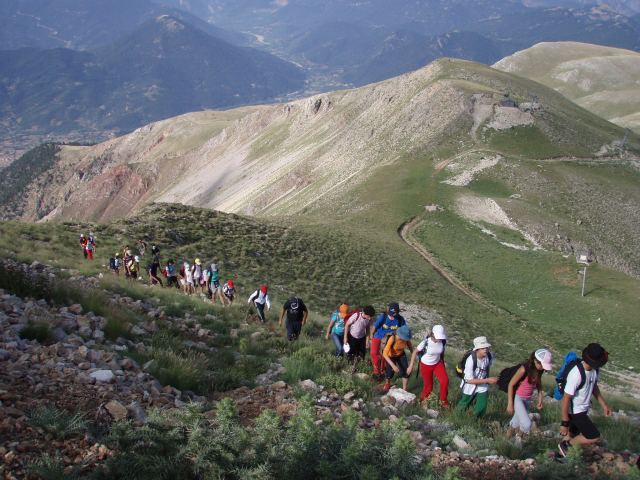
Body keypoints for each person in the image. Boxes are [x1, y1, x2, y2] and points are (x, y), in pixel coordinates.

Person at [558, 343, 611, 457]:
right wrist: (564, 422)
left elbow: (594, 387)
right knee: (593, 436)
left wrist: (604, 405)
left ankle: (560, 458)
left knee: (572, 434)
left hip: (583, 408)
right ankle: (567, 446)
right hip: (576, 411)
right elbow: (566, 399)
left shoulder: (594, 370)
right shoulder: (576, 374)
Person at [506, 349, 553, 436]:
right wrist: (510, 404)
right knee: (527, 424)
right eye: (542, 365)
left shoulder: (539, 370)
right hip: (518, 398)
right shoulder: (523, 370)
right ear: (535, 361)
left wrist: (540, 399)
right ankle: (518, 439)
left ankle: (506, 440)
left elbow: (539, 385)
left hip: (527, 400)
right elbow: (511, 384)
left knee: (515, 423)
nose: (543, 368)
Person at [456, 336, 498, 418]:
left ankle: (475, 419)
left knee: (482, 405)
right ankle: (456, 418)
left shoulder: (489, 356)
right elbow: (469, 380)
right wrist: (488, 380)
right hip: (470, 385)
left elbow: (486, 368)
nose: (485, 349)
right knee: (464, 403)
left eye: (486, 347)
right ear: (477, 349)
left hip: (483, 383)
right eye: (482, 348)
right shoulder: (470, 361)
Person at [408, 324, 449, 407]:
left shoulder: (442, 341)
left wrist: (443, 362)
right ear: (433, 334)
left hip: (438, 363)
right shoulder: (426, 342)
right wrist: (411, 366)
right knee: (428, 385)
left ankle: (443, 401)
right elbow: (415, 352)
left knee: (445, 381)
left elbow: (442, 352)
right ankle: (423, 400)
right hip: (426, 365)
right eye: (438, 336)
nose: (439, 338)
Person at [370, 302, 406, 379]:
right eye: (391, 313)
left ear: (397, 312)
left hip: (390, 339)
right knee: (373, 353)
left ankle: (382, 371)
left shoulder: (400, 319)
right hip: (378, 336)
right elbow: (374, 326)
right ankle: (376, 371)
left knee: (384, 356)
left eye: (394, 313)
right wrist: (371, 337)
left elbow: (404, 329)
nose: (392, 315)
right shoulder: (384, 316)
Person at [382, 325, 413, 392]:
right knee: (389, 372)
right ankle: (387, 384)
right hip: (390, 356)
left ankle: (404, 389)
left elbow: (410, 347)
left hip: (401, 354)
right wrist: (393, 366)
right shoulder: (392, 338)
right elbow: (384, 353)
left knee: (406, 371)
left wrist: (413, 355)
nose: (405, 339)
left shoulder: (406, 339)